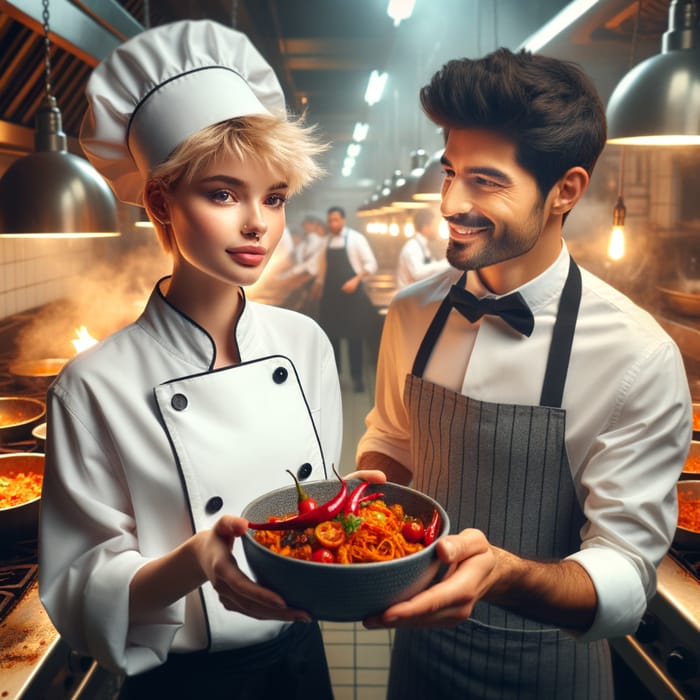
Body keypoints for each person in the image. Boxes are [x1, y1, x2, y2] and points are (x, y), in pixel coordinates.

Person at [356, 48, 691, 699]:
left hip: (550, 670)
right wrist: (369, 497)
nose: (450, 201)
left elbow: (625, 578)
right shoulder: (410, 312)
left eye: (484, 181)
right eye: (450, 171)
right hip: (418, 660)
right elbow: (393, 438)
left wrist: (504, 574)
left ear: (566, 189)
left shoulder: (636, 356)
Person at [38, 20, 346, 699]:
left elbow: (319, 508)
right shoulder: (94, 384)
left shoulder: (305, 345)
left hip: (303, 658)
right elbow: (79, 585)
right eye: (223, 193)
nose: (257, 224)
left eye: (273, 198)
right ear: (159, 203)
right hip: (186, 683)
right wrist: (194, 562)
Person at [318, 206, 378, 393]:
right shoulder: (325, 241)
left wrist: (356, 279)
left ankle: (357, 378)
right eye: (330, 221)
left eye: (335, 220)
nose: (332, 224)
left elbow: (371, 264)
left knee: (354, 339)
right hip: (331, 298)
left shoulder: (356, 239)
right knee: (331, 339)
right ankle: (336, 378)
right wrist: (318, 287)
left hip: (353, 299)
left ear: (343, 220)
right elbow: (321, 269)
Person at [395, 208, 449, 289]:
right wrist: (447, 264)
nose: (436, 229)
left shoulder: (422, 246)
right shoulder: (412, 247)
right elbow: (418, 273)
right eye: (434, 225)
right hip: (409, 299)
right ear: (425, 227)